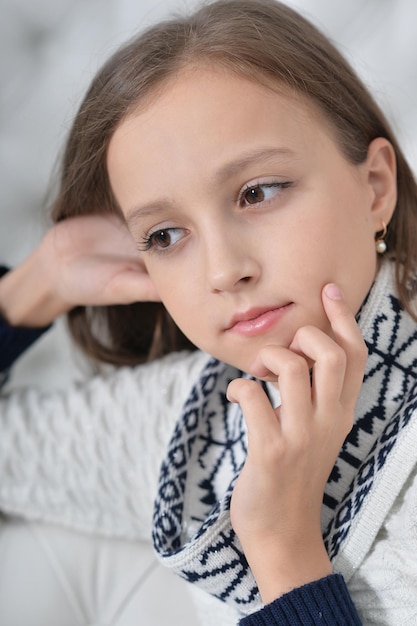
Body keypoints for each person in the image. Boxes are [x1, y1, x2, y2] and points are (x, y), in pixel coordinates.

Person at [0, 0, 416, 624]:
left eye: (257, 192)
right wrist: (30, 290)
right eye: (166, 236)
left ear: (375, 186)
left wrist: (282, 548)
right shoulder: (183, 424)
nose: (224, 271)